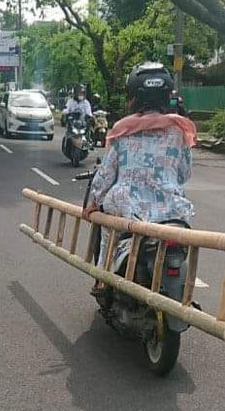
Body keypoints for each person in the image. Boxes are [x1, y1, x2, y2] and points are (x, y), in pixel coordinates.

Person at [84, 62, 196, 264]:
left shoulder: (123, 130)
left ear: (133, 96)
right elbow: (184, 174)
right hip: (173, 210)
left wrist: (93, 203)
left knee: (108, 231)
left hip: (129, 208)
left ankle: (103, 278)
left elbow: (106, 176)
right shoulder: (179, 129)